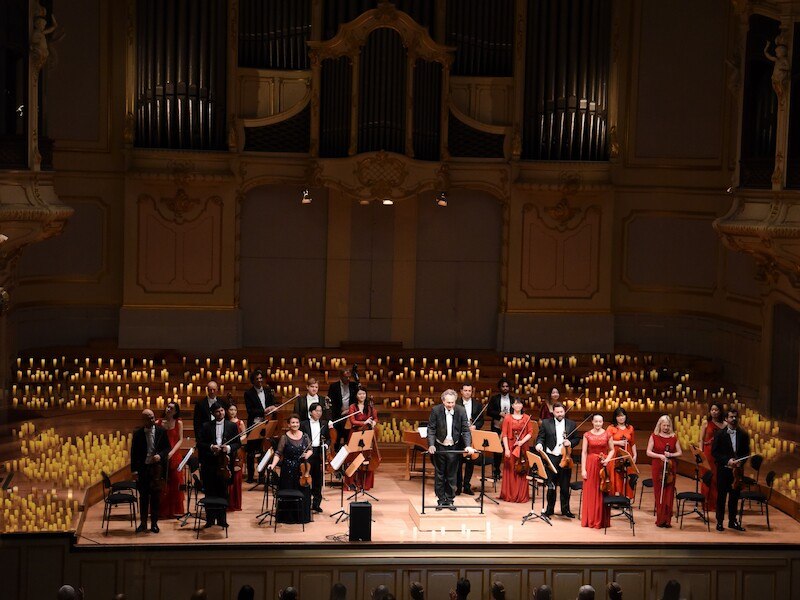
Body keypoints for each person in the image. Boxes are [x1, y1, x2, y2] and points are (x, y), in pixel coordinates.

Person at [427, 389, 475, 510]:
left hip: (454, 446)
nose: (451, 405)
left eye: (452, 402)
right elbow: (431, 429)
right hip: (440, 446)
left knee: (452, 475)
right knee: (440, 474)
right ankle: (441, 499)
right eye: (448, 403)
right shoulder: (436, 410)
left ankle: (450, 500)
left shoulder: (461, 410)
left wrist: (468, 445)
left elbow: (465, 430)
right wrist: (431, 444)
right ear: (443, 401)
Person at [197, 402, 241, 527]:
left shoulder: (232, 426)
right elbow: (200, 443)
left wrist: (227, 447)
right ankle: (210, 520)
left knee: (223, 492)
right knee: (210, 491)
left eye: (222, 410)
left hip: (225, 464)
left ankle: (222, 520)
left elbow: (237, 443)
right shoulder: (206, 426)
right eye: (217, 411)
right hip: (209, 464)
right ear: (212, 413)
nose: (220, 413)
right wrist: (211, 447)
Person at [535, 401, 580, 517]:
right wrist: (539, 444)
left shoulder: (571, 424)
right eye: (557, 412)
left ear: (564, 411)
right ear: (553, 412)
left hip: (566, 457)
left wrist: (570, 442)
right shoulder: (545, 423)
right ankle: (550, 510)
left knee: (565, 486)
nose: (560, 414)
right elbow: (541, 437)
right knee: (551, 485)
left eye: (561, 411)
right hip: (551, 457)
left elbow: (577, 439)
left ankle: (565, 510)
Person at [130, 408, 170, 533]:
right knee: (143, 498)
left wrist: (160, 455)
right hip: (143, 469)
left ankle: (154, 523)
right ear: (144, 420)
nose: (153, 420)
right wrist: (134, 471)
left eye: (153, 417)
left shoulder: (161, 431)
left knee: (155, 498)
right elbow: (134, 453)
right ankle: (143, 523)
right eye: (150, 418)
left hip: (156, 469)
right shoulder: (138, 434)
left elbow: (167, 447)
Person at [712, 407, 751, 531]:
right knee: (721, 497)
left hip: (737, 472)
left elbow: (746, 452)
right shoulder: (719, 434)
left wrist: (741, 462)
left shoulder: (744, 435)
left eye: (735, 417)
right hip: (724, 470)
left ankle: (732, 521)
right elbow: (715, 452)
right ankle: (719, 522)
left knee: (734, 497)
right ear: (726, 419)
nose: (734, 419)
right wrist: (727, 460)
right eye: (731, 417)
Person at [268, 414, 312, 523]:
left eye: (297, 422)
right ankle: (288, 518)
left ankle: (301, 517)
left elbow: (310, 449)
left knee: (303, 491)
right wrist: (272, 465)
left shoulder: (305, 436)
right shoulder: (284, 437)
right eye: (293, 422)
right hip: (287, 469)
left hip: (302, 469)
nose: (295, 424)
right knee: (288, 492)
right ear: (288, 424)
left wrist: (307, 455)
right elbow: (278, 453)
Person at [647, 415, 682, 527]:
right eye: (664, 425)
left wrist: (671, 454)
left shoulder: (673, 437)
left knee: (669, 493)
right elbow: (648, 452)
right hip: (658, 466)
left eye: (668, 425)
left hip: (671, 468)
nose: (666, 427)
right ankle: (660, 519)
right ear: (660, 425)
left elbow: (679, 452)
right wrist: (660, 456)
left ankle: (667, 520)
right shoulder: (654, 436)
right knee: (659, 493)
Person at [243, 369, 277, 483]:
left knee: (264, 451)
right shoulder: (248, 393)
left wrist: (273, 409)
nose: (259, 380)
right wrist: (264, 411)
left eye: (260, 378)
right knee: (251, 451)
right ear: (253, 381)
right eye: (257, 379)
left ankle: (262, 476)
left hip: (267, 423)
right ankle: (251, 476)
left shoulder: (268, 390)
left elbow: (272, 404)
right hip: (255, 424)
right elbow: (250, 411)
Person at [344, 386, 380, 491]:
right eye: (360, 394)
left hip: (366, 435)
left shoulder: (369, 407)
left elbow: (376, 418)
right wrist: (364, 422)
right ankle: (352, 483)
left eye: (363, 394)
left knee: (365, 458)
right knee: (354, 458)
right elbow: (352, 421)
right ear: (356, 395)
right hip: (355, 434)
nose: (362, 396)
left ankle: (364, 484)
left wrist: (374, 422)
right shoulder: (352, 407)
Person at [581, 413, 613, 529]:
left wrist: (607, 460)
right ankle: (591, 519)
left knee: (602, 490)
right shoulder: (587, 435)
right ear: (592, 422)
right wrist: (583, 469)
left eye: (600, 421)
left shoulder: (608, 434)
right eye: (596, 421)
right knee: (591, 491)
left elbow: (612, 450)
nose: (598, 424)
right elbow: (584, 452)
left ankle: (601, 520)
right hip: (591, 464)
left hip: (603, 465)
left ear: (602, 422)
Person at [500, 397, 534, 503]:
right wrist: (506, 449)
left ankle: (521, 495)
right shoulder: (507, 418)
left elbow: (530, 433)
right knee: (510, 469)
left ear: (522, 406)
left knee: (522, 469)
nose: (518, 405)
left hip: (523, 447)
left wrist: (522, 442)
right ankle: (510, 495)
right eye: (516, 404)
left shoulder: (527, 418)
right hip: (510, 446)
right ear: (512, 406)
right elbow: (504, 434)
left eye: (520, 403)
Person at [300, 402, 332, 513]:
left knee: (318, 480)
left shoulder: (324, 423)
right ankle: (306, 502)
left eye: (320, 411)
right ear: (310, 412)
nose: (319, 413)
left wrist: (326, 445)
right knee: (307, 478)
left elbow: (328, 438)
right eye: (316, 411)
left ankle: (316, 504)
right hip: (308, 453)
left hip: (319, 453)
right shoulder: (303, 424)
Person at [156, 401, 185, 518]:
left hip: (174, 455)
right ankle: (161, 510)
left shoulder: (179, 422)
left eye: (172, 408)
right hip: (162, 455)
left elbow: (180, 439)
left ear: (176, 412)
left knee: (175, 481)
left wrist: (172, 452)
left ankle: (174, 510)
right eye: (168, 407)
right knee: (163, 482)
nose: (168, 409)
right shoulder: (158, 422)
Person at [456, 381, 484, 495]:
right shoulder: (456, 404)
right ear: (461, 392)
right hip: (459, 437)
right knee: (458, 462)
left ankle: (467, 486)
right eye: (465, 390)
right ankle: (458, 486)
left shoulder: (477, 404)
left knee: (470, 462)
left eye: (469, 391)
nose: (467, 393)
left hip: (472, 437)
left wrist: (475, 426)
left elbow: (481, 420)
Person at [487, 378, 516, 479]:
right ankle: (496, 470)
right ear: (500, 387)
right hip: (497, 427)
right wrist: (499, 413)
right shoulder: (494, 398)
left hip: (510, 428)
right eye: (503, 386)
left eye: (506, 386)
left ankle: (509, 471)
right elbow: (489, 411)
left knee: (509, 449)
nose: (505, 388)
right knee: (497, 450)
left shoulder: (513, 399)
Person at [607, 407, 637, 499]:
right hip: (615, 454)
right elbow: (607, 441)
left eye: (623, 416)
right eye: (619, 416)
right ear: (615, 417)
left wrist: (635, 455)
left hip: (627, 453)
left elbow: (632, 442)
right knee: (616, 475)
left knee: (627, 475)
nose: (621, 418)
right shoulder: (611, 428)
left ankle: (626, 496)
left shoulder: (630, 428)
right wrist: (618, 443)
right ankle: (616, 495)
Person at [701, 402, 725, 511]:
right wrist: (701, 454)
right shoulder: (706, 423)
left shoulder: (725, 425)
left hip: (719, 454)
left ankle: (715, 504)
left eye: (716, 410)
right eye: (712, 410)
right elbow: (701, 440)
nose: (714, 412)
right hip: (707, 454)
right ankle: (705, 503)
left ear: (720, 411)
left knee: (717, 479)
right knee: (707, 477)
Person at [328, 369, 359, 450]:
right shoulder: (334, 386)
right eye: (346, 377)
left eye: (349, 377)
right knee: (337, 438)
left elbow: (356, 400)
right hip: (337, 415)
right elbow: (330, 402)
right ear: (341, 377)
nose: (348, 379)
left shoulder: (354, 385)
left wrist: (349, 410)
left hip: (349, 415)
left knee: (348, 437)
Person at [226, 404, 247, 511]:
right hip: (227, 450)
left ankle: (236, 503)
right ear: (227, 410)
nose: (233, 412)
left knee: (237, 477)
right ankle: (228, 502)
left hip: (238, 451)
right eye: (231, 409)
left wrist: (237, 441)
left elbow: (244, 435)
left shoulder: (240, 422)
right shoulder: (225, 422)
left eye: (234, 409)